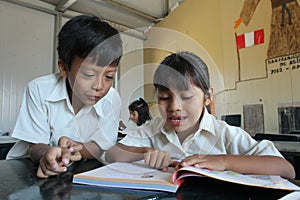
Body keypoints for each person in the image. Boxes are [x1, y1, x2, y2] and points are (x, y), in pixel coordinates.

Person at [106, 51, 295, 179]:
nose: (174, 107)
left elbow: (285, 168)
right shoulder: (153, 129)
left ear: (207, 97)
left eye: (186, 97)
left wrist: (224, 161)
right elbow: (113, 154)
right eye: (164, 97)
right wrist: (144, 152)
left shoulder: (225, 134)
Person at [6, 15, 123, 178]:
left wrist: (77, 149)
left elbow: (100, 145)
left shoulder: (111, 99)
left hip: (76, 170)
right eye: (88, 74)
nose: (99, 86)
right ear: (63, 68)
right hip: (24, 169)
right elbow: (35, 146)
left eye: (109, 76)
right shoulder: (39, 89)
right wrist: (49, 154)